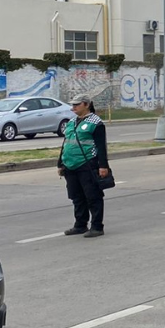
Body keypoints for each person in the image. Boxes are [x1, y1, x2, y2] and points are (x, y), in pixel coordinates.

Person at [57, 94, 110, 238]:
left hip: (88, 163)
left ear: (86, 105)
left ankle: (97, 226)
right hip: (70, 164)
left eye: (76, 105)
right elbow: (66, 143)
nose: (73, 107)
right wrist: (60, 163)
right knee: (77, 197)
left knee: (93, 196)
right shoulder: (72, 122)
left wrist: (103, 165)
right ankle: (80, 225)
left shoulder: (95, 122)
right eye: (72, 105)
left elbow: (101, 146)